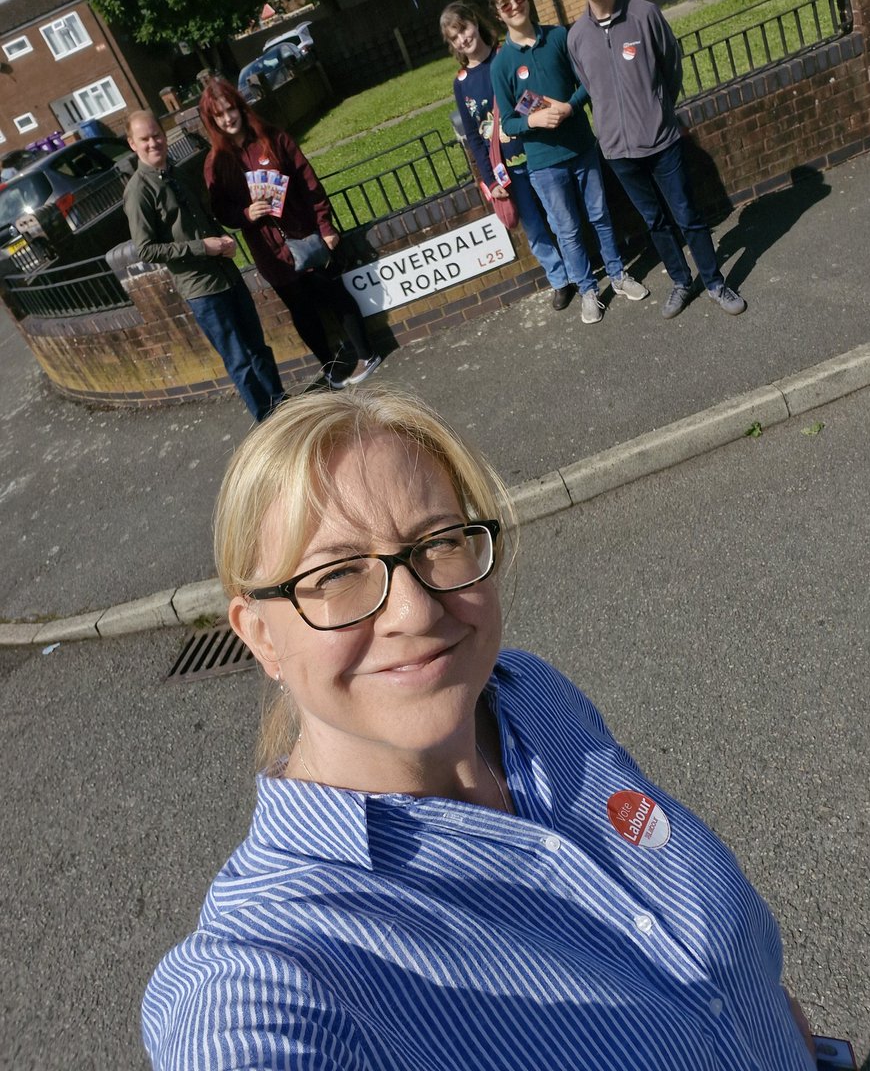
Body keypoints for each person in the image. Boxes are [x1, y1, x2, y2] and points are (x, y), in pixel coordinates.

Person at [142, 386, 818, 1071]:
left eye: (438, 542)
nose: (414, 610)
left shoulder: (531, 694)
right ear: (258, 635)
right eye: (338, 573)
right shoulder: (274, 958)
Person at [566, 0, 747, 321]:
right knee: (655, 222)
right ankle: (681, 282)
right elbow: (591, 86)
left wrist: (658, 111)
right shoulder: (576, 38)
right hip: (617, 152)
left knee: (688, 216)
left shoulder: (645, 14)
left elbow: (671, 68)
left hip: (662, 141)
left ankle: (714, 282)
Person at [488, 0, 646, 326]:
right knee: (568, 229)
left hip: (581, 147)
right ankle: (588, 290)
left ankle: (618, 275)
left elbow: (587, 82)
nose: (515, 6)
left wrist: (569, 106)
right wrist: (533, 121)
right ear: (498, 13)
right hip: (544, 163)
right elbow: (507, 124)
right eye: (506, 4)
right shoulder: (502, 65)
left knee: (600, 216)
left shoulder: (560, 37)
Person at [199, 78, 381, 388]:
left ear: (241, 107)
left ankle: (367, 354)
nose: (228, 118)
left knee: (334, 295)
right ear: (212, 120)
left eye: (231, 109)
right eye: (220, 114)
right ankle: (332, 366)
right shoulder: (216, 163)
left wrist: (325, 227)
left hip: (305, 236)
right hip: (271, 254)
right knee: (302, 311)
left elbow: (310, 183)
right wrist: (246, 214)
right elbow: (220, 210)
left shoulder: (273, 138)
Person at [123, 110, 285, 424]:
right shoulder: (138, 191)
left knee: (257, 346)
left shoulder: (176, 173)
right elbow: (146, 248)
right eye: (145, 138)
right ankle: (268, 420)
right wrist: (203, 247)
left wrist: (222, 239)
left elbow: (203, 217)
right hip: (202, 289)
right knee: (238, 360)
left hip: (226, 273)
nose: (154, 142)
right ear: (133, 144)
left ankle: (281, 404)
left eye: (157, 134)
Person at [440, 0, 573, 312]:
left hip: (535, 152)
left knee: (558, 216)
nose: (463, 39)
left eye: (464, 29)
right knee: (534, 227)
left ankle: (577, 268)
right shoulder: (461, 84)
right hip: (506, 169)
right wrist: (489, 179)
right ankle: (559, 278)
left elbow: (530, 99)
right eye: (454, 37)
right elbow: (473, 137)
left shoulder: (505, 57)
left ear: (475, 22)